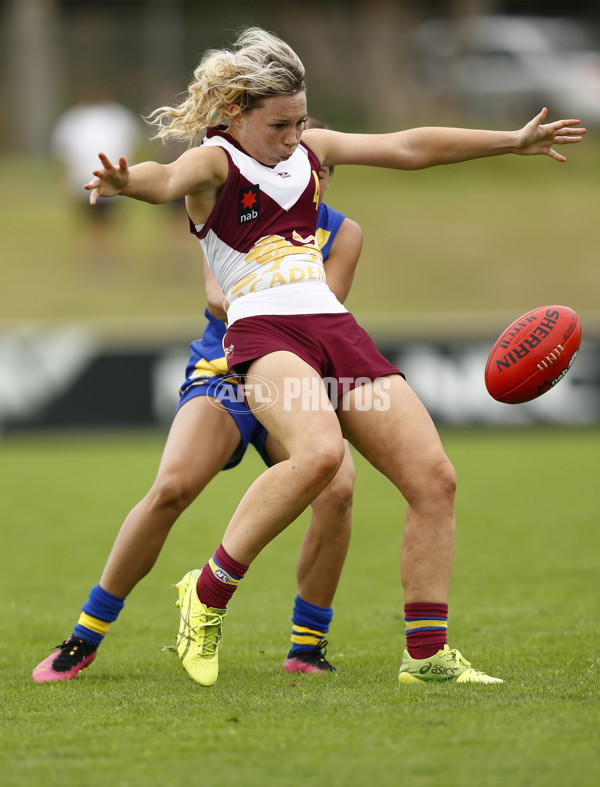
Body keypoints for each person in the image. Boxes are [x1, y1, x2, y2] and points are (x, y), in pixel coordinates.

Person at [79, 27, 585, 687]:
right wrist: (126, 183)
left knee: (435, 478)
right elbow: (164, 177)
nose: (294, 136)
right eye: (279, 124)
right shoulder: (216, 161)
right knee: (319, 457)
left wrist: (510, 141)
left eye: (299, 121)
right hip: (263, 334)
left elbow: (408, 146)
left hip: (333, 327)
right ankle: (206, 592)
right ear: (236, 111)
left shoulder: (311, 149)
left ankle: (426, 656)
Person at [32, 119, 363, 683]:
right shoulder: (228, 206)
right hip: (227, 374)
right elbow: (218, 295)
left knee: (339, 490)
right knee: (172, 489)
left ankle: (307, 646)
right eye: (309, 169)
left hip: (293, 385)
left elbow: (326, 310)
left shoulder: (343, 234)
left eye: (324, 171)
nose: (316, 179)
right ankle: (84, 636)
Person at [50, 84, 143, 281]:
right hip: (84, 182)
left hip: (110, 181)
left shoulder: (116, 117)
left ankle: (105, 259)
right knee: (93, 223)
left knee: (106, 223)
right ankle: (96, 260)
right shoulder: (77, 118)